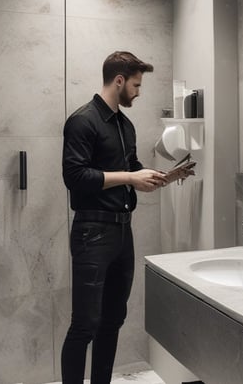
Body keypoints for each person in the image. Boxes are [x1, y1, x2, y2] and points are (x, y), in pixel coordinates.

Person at [61, 51, 178, 384]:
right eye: (137, 85)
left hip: (122, 234)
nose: (139, 93)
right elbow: (75, 177)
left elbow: (132, 168)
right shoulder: (83, 121)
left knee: (112, 321)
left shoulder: (125, 125)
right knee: (84, 324)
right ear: (119, 80)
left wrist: (157, 177)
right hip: (91, 232)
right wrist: (129, 178)